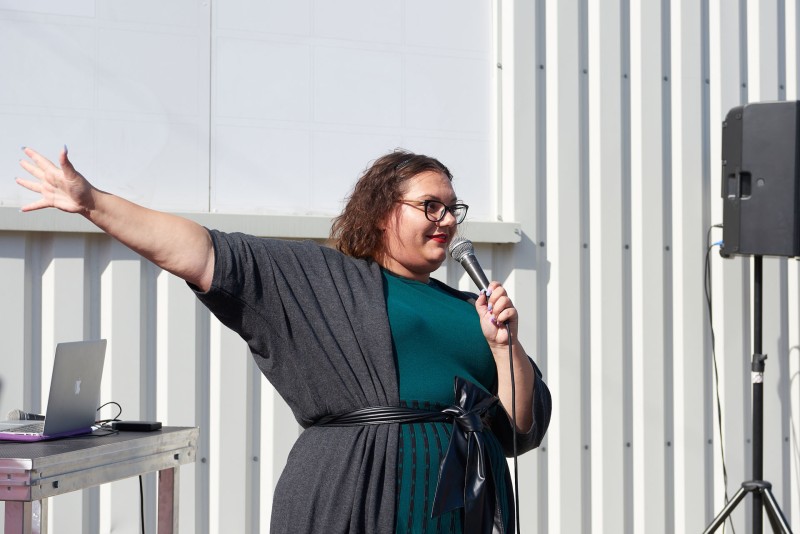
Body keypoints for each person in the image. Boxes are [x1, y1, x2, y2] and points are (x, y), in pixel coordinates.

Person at [17, 146, 551, 534]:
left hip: (466, 510)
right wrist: (92, 202)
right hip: (361, 496)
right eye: (430, 205)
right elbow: (201, 252)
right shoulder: (326, 282)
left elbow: (518, 431)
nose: (447, 221)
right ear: (383, 211)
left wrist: (505, 347)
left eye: (453, 209)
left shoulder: (471, 308)